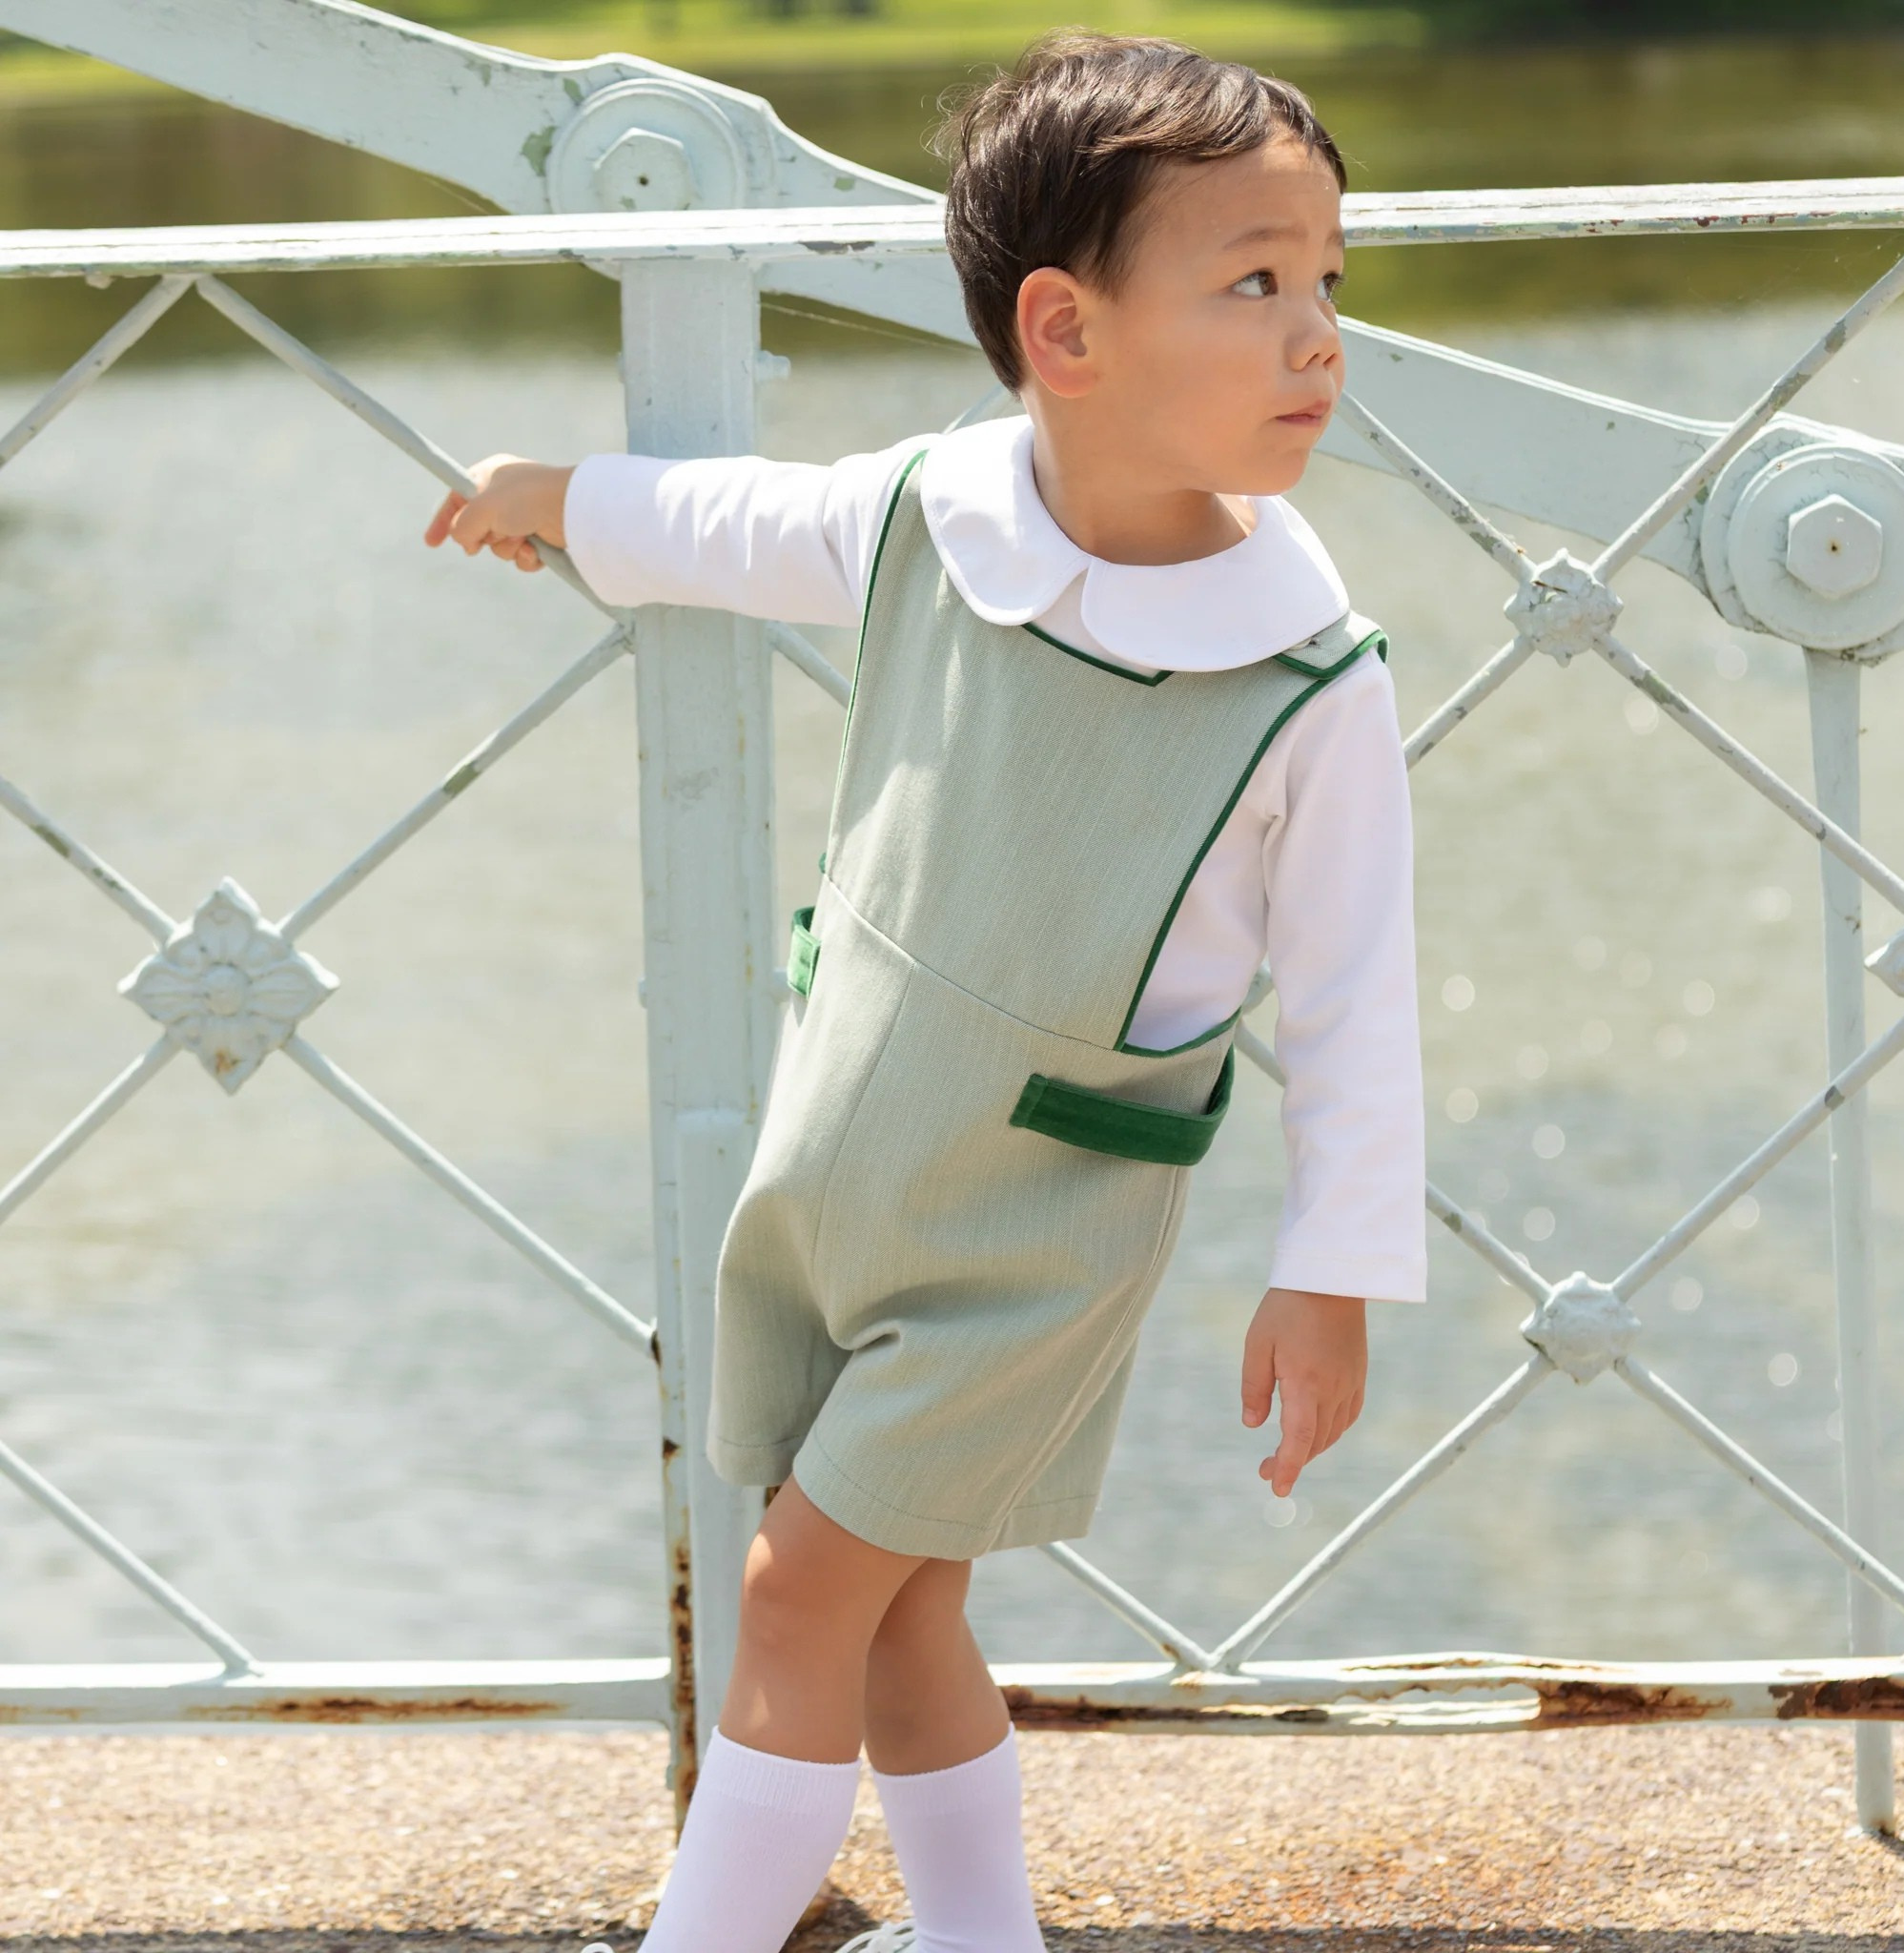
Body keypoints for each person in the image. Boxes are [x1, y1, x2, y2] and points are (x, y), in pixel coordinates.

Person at [424, 29, 1425, 1952]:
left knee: (801, 1584)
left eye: (1325, 284)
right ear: (1065, 331)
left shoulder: (1308, 674)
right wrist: (561, 493)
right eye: (1252, 283)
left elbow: (1352, 993)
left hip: (1038, 1220)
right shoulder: (929, 516)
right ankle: (983, 1934)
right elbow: (741, 525)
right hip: (847, 1164)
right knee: (902, 1609)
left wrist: (1333, 1269)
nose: (1317, 337)